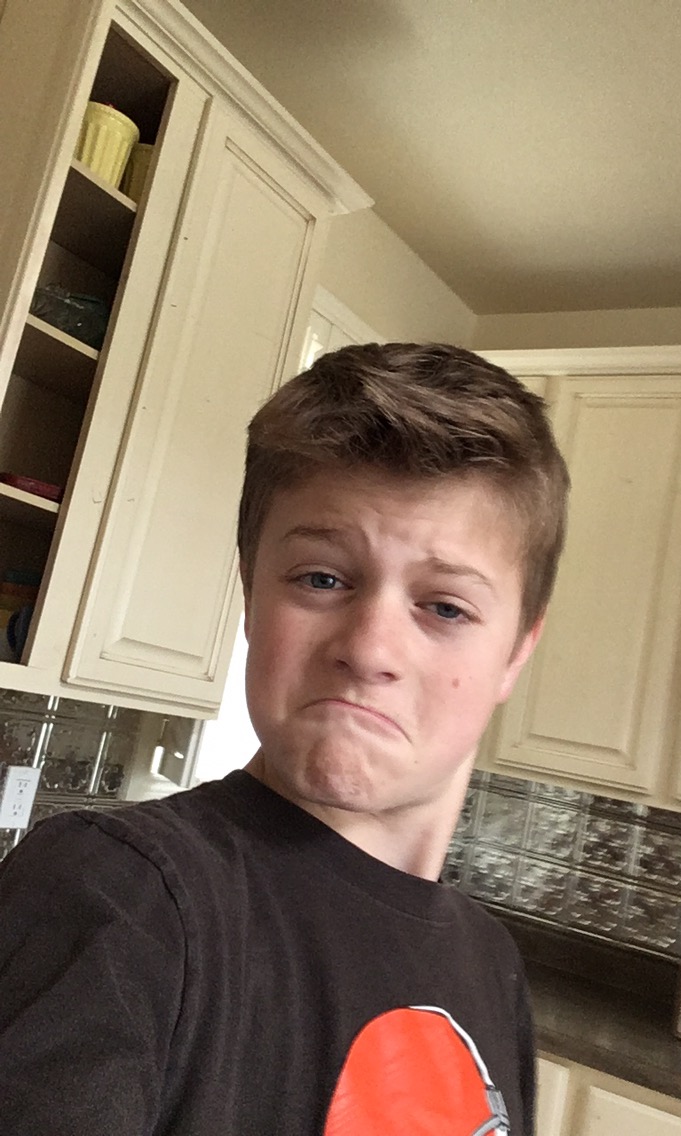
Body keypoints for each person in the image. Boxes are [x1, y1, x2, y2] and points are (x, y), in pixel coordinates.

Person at [0, 342, 569, 1134]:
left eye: (445, 607)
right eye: (321, 579)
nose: (368, 650)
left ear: (515, 653)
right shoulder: (119, 896)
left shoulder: (492, 966)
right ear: (251, 592)